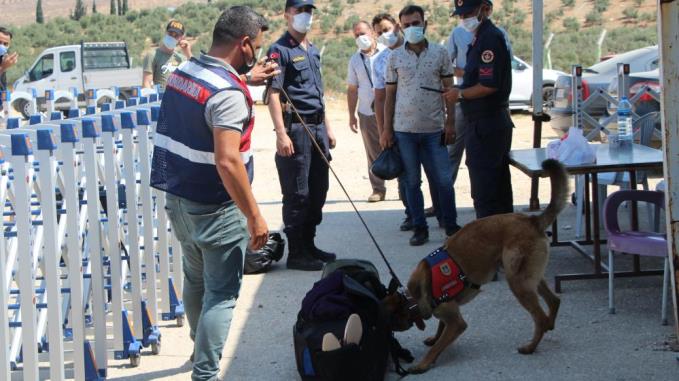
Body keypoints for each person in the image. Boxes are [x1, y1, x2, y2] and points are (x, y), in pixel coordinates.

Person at [149, 6, 275, 380]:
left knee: (195, 278)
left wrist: (245, 78)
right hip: (216, 206)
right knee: (222, 293)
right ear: (245, 44)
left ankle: (196, 344)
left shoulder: (185, 72)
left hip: (179, 197)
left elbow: (207, 100)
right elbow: (228, 161)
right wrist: (254, 216)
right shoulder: (228, 93)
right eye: (257, 45)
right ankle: (205, 373)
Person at [381, 5, 461, 246]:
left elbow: (449, 91)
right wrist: (386, 129)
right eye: (406, 25)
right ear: (401, 27)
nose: (411, 28)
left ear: (425, 23)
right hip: (404, 131)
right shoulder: (394, 57)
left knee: (444, 181)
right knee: (412, 182)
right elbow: (389, 96)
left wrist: (450, 123)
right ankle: (419, 227)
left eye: (416, 23)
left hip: (434, 130)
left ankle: (450, 225)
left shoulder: (440, 53)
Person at [267, 0, 337, 271]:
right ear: (287, 15)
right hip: (296, 129)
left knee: (319, 190)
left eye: (309, 11)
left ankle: (309, 244)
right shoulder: (280, 50)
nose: (305, 16)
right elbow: (273, 94)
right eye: (299, 11)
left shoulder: (313, 50)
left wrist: (328, 126)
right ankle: (297, 252)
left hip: (317, 127)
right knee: (298, 193)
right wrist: (281, 134)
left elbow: (317, 95)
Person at [445, 0, 514, 219]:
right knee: (493, 188)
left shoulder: (489, 38)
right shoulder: (479, 37)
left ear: (485, 9)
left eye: (468, 13)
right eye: (461, 14)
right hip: (482, 122)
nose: (464, 19)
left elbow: (488, 85)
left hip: (488, 123)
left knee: (487, 191)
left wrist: (461, 94)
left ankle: (492, 244)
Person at [346, 20, 385, 203]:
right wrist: (351, 115)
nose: (361, 37)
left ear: (372, 33)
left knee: (399, 148)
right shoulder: (355, 60)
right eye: (356, 35)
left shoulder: (387, 53)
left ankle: (405, 188)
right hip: (367, 113)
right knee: (372, 153)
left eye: (363, 33)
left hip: (390, 111)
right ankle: (378, 189)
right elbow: (352, 89)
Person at [142, 20, 192, 89]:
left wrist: (188, 53)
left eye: (176, 35)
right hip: (161, 98)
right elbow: (147, 83)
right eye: (170, 33)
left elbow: (194, 76)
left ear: (181, 38)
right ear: (166, 33)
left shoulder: (182, 59)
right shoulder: (152, 55)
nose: (172, 37)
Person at [0, 26, 18, 111]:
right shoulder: (3, 64)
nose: (2, 46)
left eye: (5, 44)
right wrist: (3, 67)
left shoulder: (3, 59)